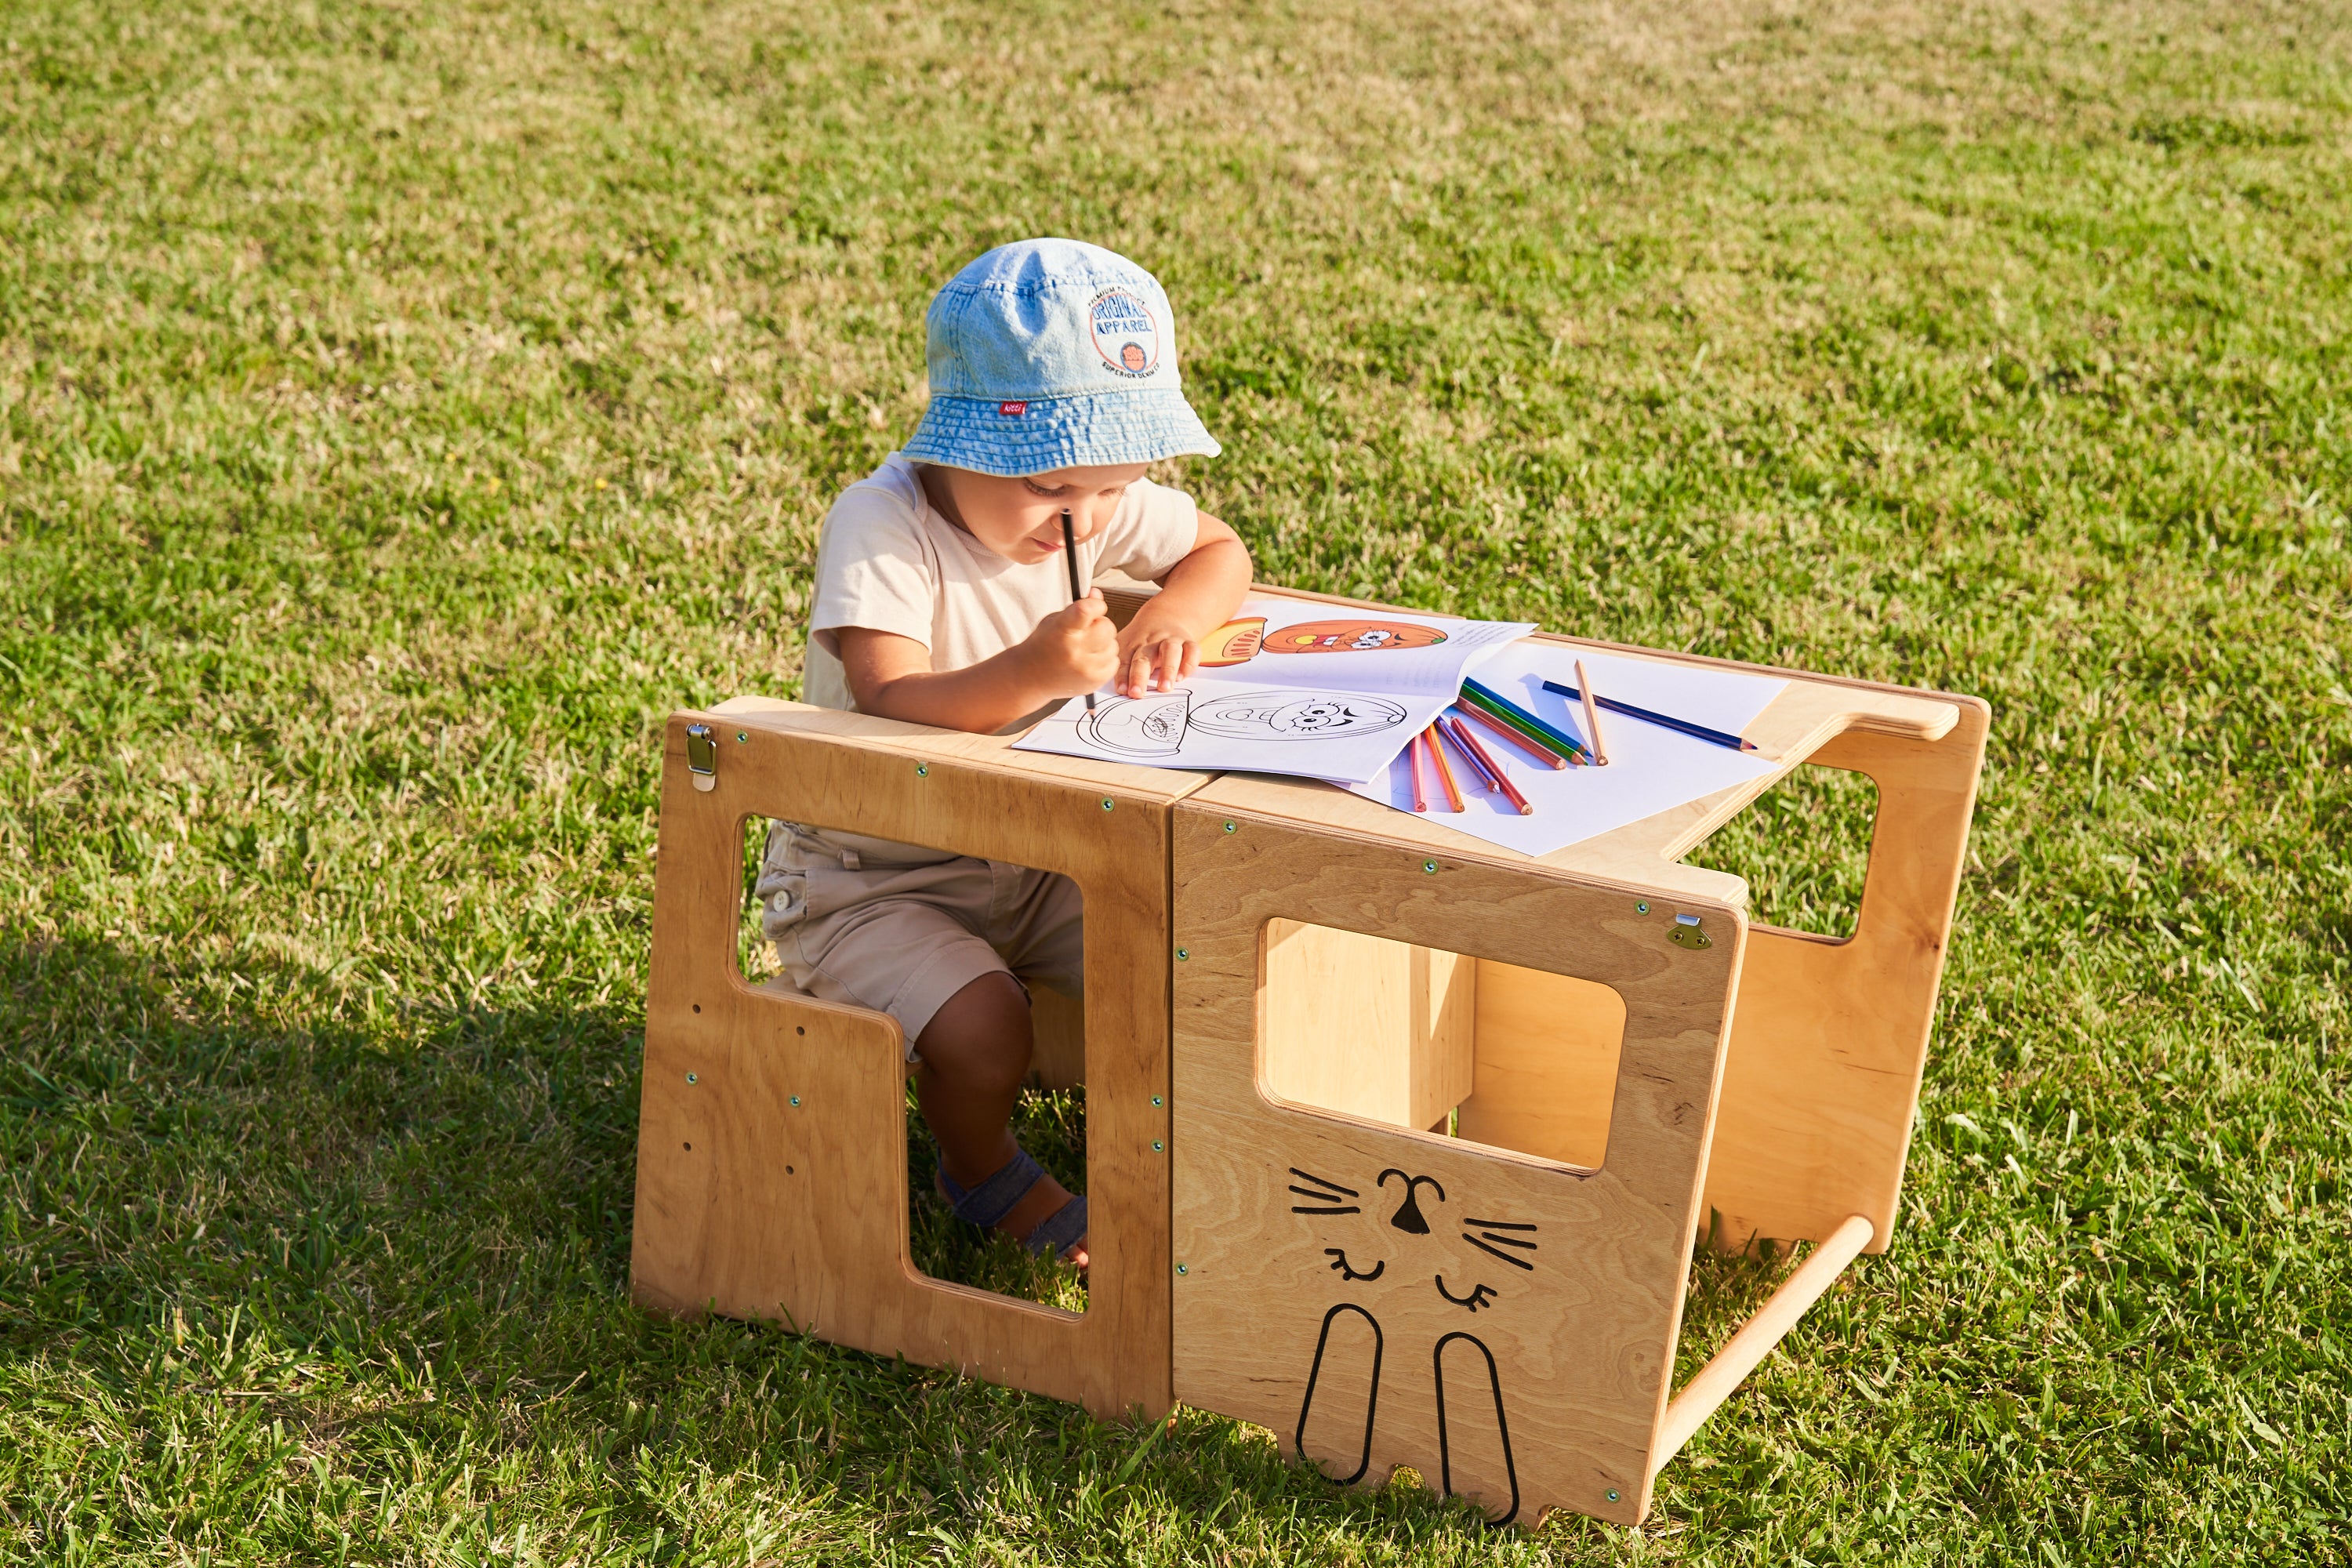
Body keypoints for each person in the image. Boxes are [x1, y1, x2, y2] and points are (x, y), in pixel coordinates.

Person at [757, 239, 1252, 1267]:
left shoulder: (1083, 500)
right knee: (984, 1029)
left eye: (1114, 489)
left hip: (1039, 854)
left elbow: (1219, 549)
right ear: (958, 443)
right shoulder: (883, 523)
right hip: (874, 879)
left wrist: (1172, 617)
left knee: (1181, 958)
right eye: (1051, 484)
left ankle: (1179, 1158)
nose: (1084, 518)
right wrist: (1030, 672)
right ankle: (979, 1170)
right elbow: (888, 693)